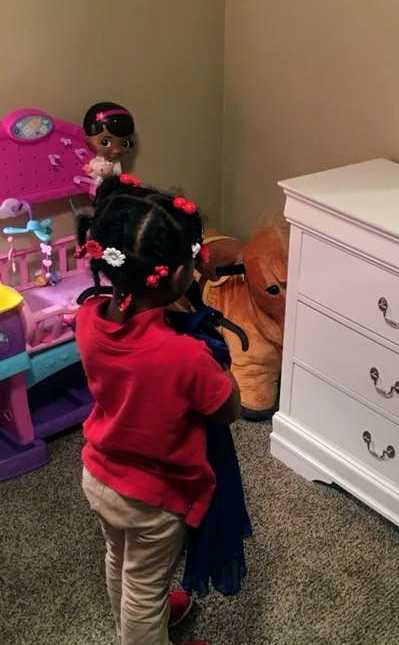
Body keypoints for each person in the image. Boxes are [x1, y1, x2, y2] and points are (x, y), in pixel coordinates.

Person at [75, 174, 241, 645]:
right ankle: (142, 633)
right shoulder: (185, 356)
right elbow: (228, 408)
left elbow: (137, 352)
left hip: (101, 474)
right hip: (153, 495)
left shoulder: (89, 317)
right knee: (146, 589)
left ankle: (130, 620)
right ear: (172, 276)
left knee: (120, 559)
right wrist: (219, 359)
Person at [76, 102, 136, 196]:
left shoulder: (116, 163)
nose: (117, 150)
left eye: (124, 143)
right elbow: (96, 173)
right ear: (88, 139)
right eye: (105, 142)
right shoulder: (95, 162)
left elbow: (117, 175)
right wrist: (93, 171)